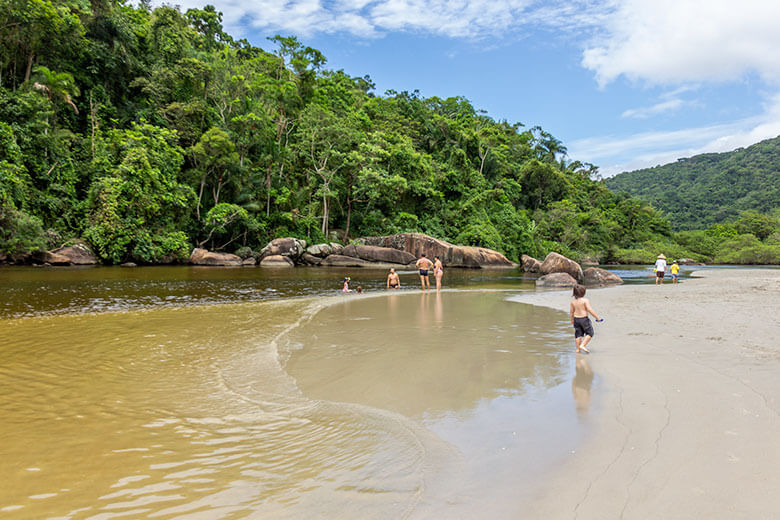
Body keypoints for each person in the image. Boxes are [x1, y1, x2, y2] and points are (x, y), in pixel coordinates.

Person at [570, 284, 603, 354]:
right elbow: (589, 309)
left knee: (578, 334)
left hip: (576, 319)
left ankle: (578, 349)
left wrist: (572, 320)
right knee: (590, 333)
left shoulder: (573, 302)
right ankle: (582, 345)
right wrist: (597, 317)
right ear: (584, 293)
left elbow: (571, 312)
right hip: (584, 319)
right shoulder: (585, 300)